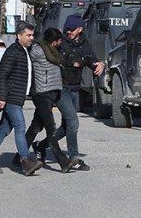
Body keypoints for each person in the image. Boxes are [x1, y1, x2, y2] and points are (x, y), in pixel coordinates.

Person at [0, 22, 42, 175]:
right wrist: (1, 97)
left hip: (18, 97)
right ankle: (25, 160)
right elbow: (3, 75)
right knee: (20, 126)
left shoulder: (25, 51)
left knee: (3, 129)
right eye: (28, 35)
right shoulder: (13, 51)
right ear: (19, 36)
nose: (31, 38)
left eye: (32, 35)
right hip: (11, 97)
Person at [38, 15, 103, 160]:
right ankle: (74, 157)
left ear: (80, 29)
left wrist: (99, 65)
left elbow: (91, 61)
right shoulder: (61, 43)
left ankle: (41, 146)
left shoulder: (85, 44)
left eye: (72, 29)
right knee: (73, 122)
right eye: (67, 29)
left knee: (66, 127)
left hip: (75, 89)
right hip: (61, 89)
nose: (69, 32)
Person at [25, 28, 86, 172]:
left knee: (35, 127)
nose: (61, 43)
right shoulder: (38, 51)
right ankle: (63, 162)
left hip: (52, 92)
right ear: (53, 42)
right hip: (42, 94)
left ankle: (19, 157)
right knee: (51, 129)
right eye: (59, 41)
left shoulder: (52, 52)